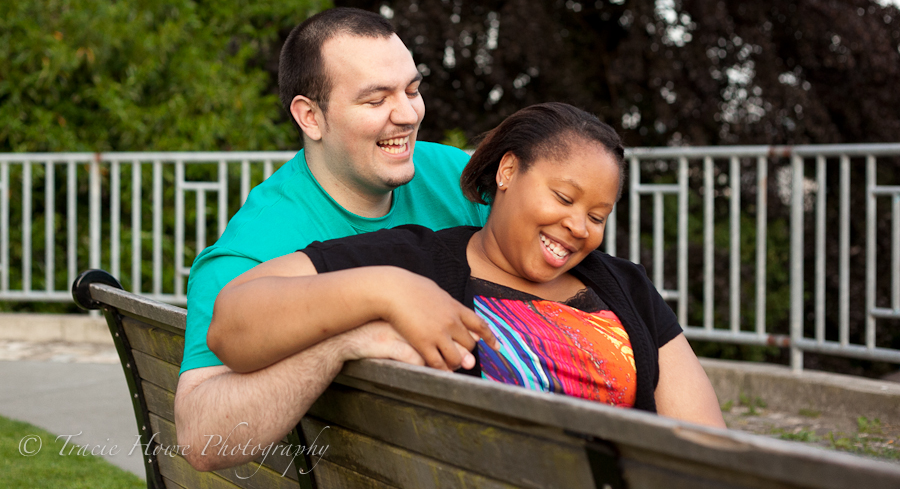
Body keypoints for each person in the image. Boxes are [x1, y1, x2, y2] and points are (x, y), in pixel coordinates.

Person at [209, 103, 726, 425]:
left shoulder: (626, 287)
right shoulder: (415, 262)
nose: (579, 226)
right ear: (507, 172)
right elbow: (232, 319)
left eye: (597, 214)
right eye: (563, 197)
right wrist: (388, 290)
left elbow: (703, 443)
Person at [175, 8, 494, 471]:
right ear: (310, 117)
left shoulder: (454, 177)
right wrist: (343, 340)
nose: (407, 115)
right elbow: (203, 437)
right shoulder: (258, 245)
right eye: (375, 100)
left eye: (412, 90)